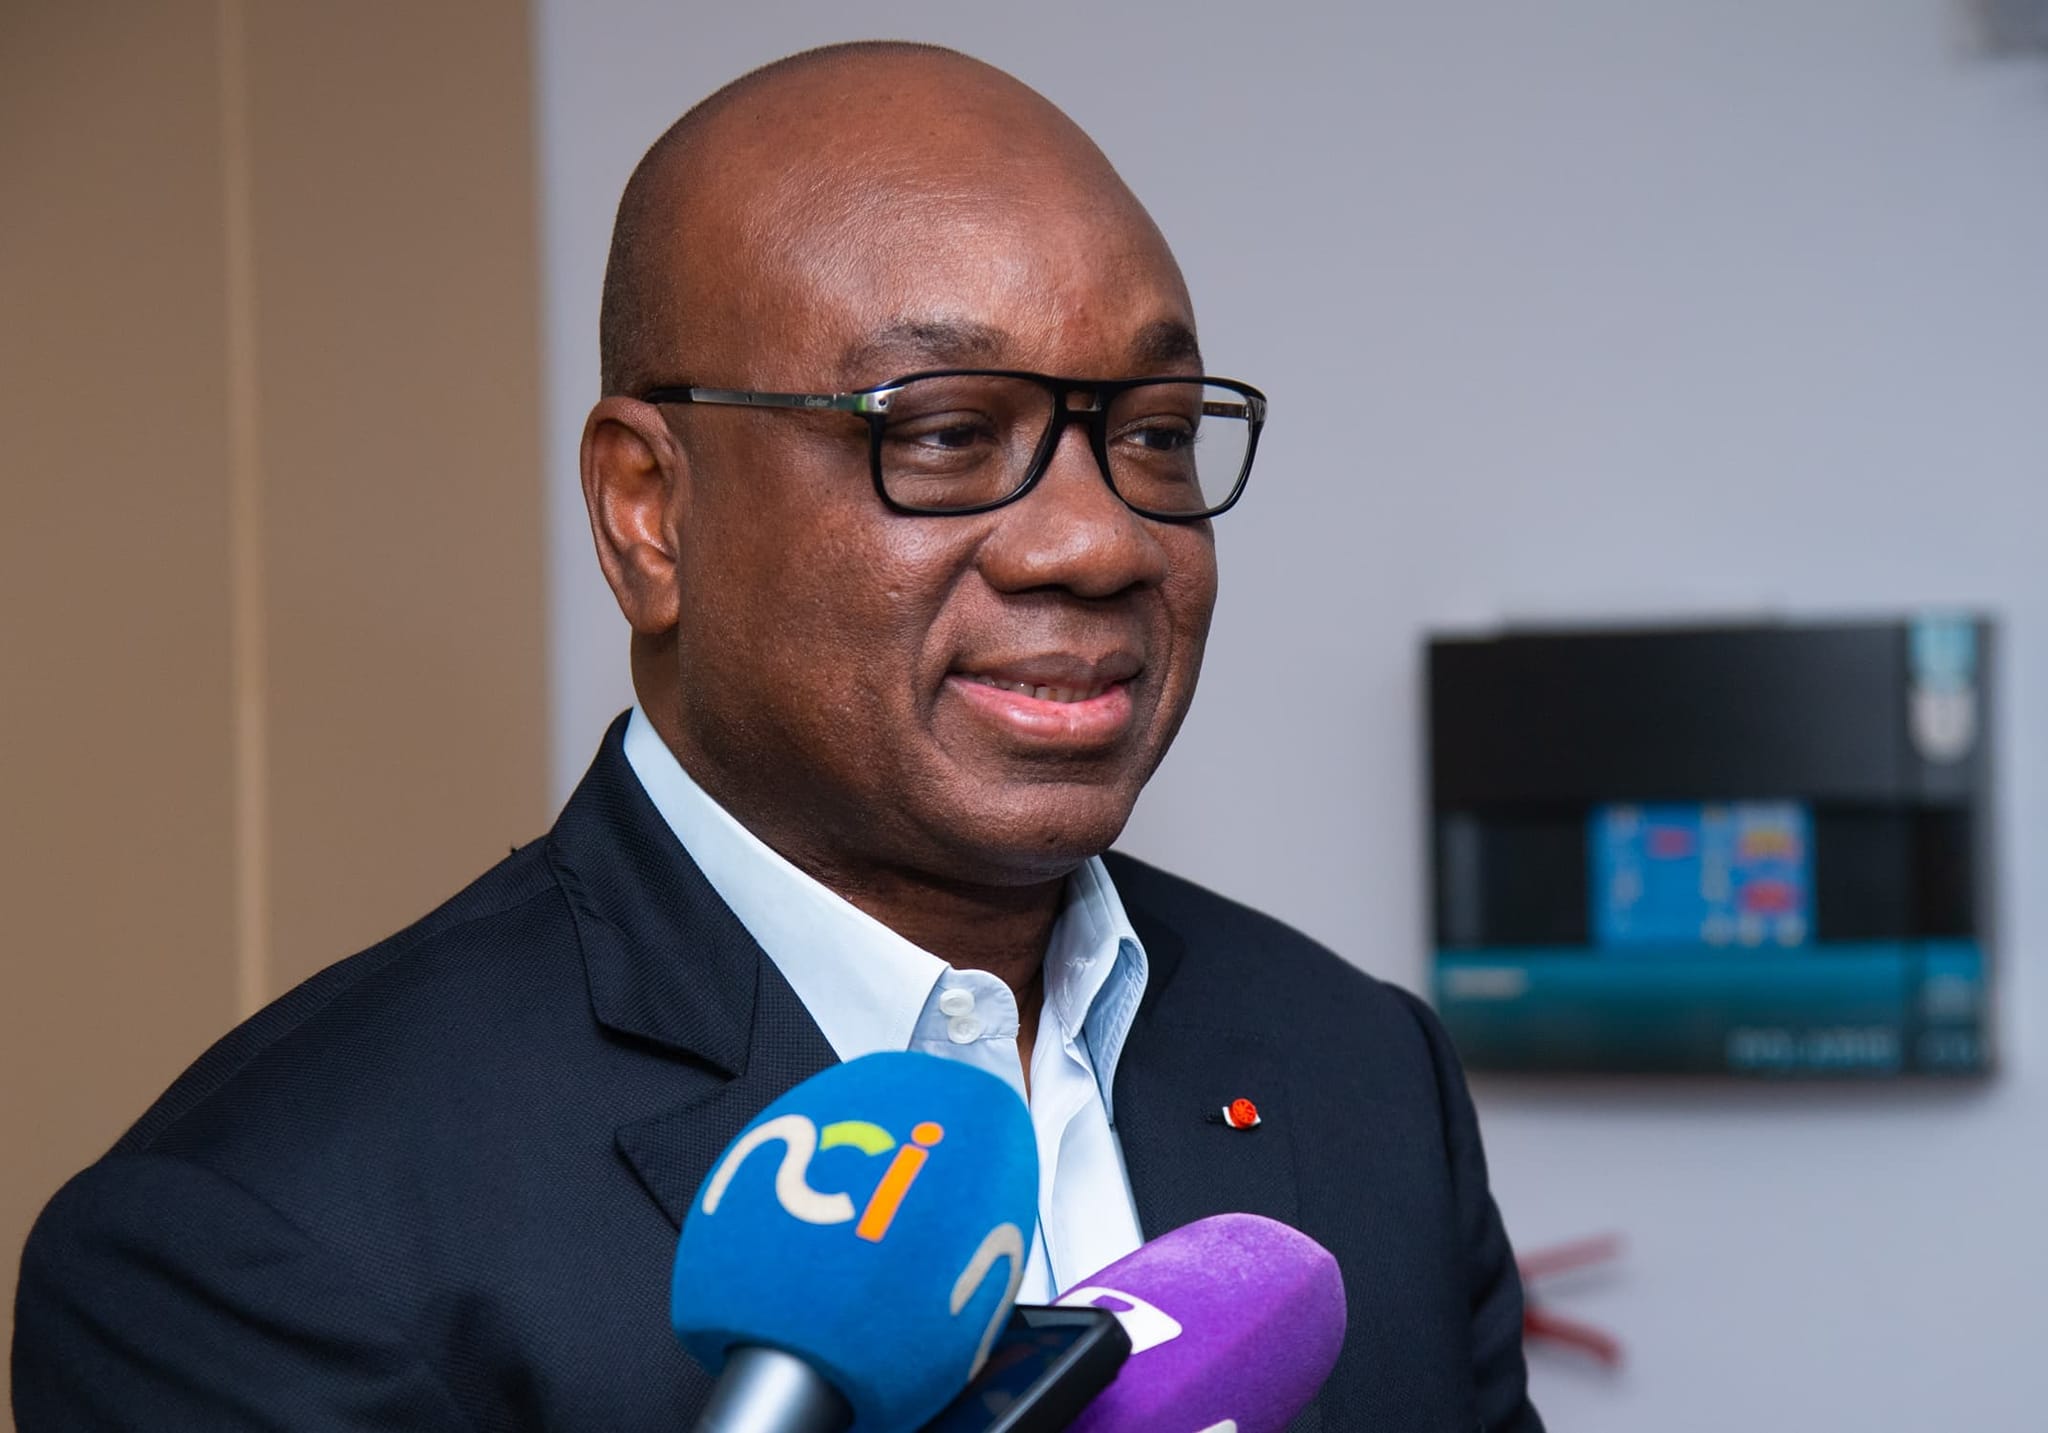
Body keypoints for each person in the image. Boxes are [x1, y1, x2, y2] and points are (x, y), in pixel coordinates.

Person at [13, 42, 1539, 1432]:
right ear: (650, 513)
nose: (1094, 539)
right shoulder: (260, 1239)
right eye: (944, 432)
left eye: (1152, 433)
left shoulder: (1361, 1073)